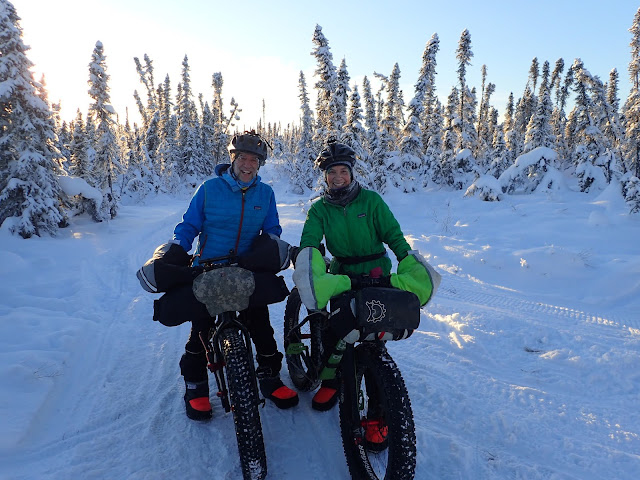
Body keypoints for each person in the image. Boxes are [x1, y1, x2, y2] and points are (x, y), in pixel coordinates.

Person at [292, 140, 440, 417]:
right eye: (331, 172)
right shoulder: (319, 209)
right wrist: (309, 264)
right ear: (325, 176)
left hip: (376, 273)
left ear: (351, 173)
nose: (338, 177)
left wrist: (408, 262)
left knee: (374, 335)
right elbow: (310, 241)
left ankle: (379, 408)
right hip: (343, 273)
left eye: (343, 171)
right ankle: (331, 380)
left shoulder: (371, 201)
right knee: (335, 328)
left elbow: (394, 236)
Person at [171, 131, 298, 420]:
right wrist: (177, 248)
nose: (248, 165)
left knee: (261, 325)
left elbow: (272, 229)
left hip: (246, 267)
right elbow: (189, 225)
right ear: (233, 159)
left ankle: (270, 376)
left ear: (260, 164)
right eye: (243, 158)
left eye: (254, 160)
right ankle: (196, 385)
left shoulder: (265, 194)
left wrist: (271, 249)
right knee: (201, 330)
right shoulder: (209, 189)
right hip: (208, 266)